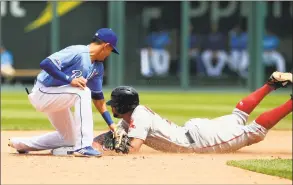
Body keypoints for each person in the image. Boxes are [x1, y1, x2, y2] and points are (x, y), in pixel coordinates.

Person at [93, 71, 292, 154]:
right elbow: (113, 135)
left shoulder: (139, 117)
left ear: (123, 107)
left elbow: (133, 148)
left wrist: (114, 150)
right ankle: (270, 85)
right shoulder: (132, 118)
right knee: (237, 117)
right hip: (195, 130)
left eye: (114, 104)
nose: (112, 107)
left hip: (199, 142)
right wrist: (94, 144)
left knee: (253, 132)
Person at [8, 28, 119, 157]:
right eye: (111, 50)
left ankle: (20, 144)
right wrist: (69, 80)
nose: (109, 54)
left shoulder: (97, 67)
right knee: (82, 92)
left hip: (58, 97)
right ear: (106, 46)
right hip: (43, 92)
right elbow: (46, 63)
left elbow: (98, 98)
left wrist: (111, 124)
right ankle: (83, 146)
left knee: (69, 139)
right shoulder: (77, 51)